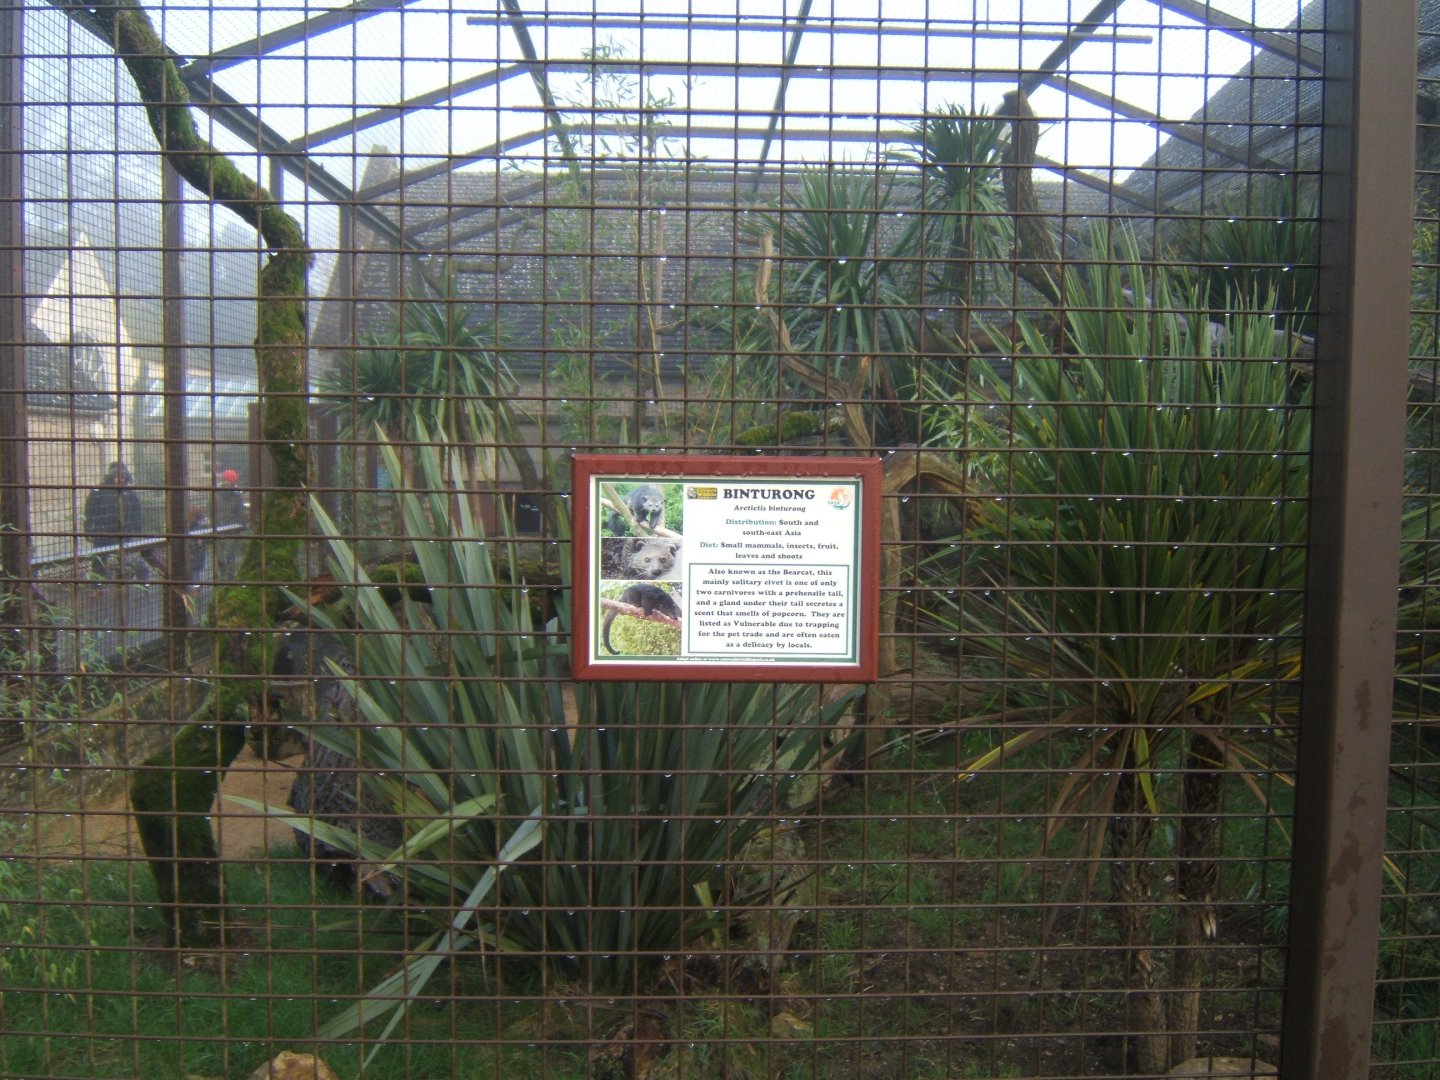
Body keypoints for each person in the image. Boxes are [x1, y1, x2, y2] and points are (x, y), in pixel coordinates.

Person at [83, 461, 146, 578]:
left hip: (122, 534)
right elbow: (89, 512)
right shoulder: (98, 491)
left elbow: (136, 514)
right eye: (118, 476)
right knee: (98, 562)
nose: (121, 479)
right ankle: (96, 587)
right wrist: (88, 530)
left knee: (125, 562)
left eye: (123, 476)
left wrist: (137, 531)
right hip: (102, 534)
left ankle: (126, 585)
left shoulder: (129, 493)